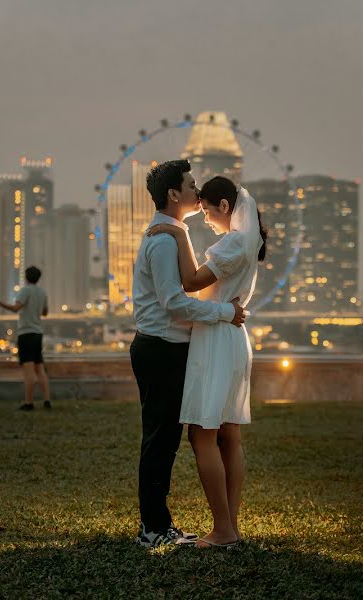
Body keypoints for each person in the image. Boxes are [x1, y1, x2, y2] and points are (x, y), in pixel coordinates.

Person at [130, 160, 246, 548]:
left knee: (166, 438)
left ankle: (159, 524)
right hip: (160, 348)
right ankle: (153, 529)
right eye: (191, 185)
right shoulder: (163, 240)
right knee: (160, 439)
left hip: (169, 347)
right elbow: (175, 302)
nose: (198, 192)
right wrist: (224, 313)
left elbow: (188, 286)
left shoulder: (173, 233)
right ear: (173, 195)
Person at [0, 265, 51, 411]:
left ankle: (29, 403)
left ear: (26, 277)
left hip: (26, 334)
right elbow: (45, 312)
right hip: (38, 333)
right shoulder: (42, 292)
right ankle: (47, 401)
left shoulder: (25, 291)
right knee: (39, 368)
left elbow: (15, 308)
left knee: (28, 370)